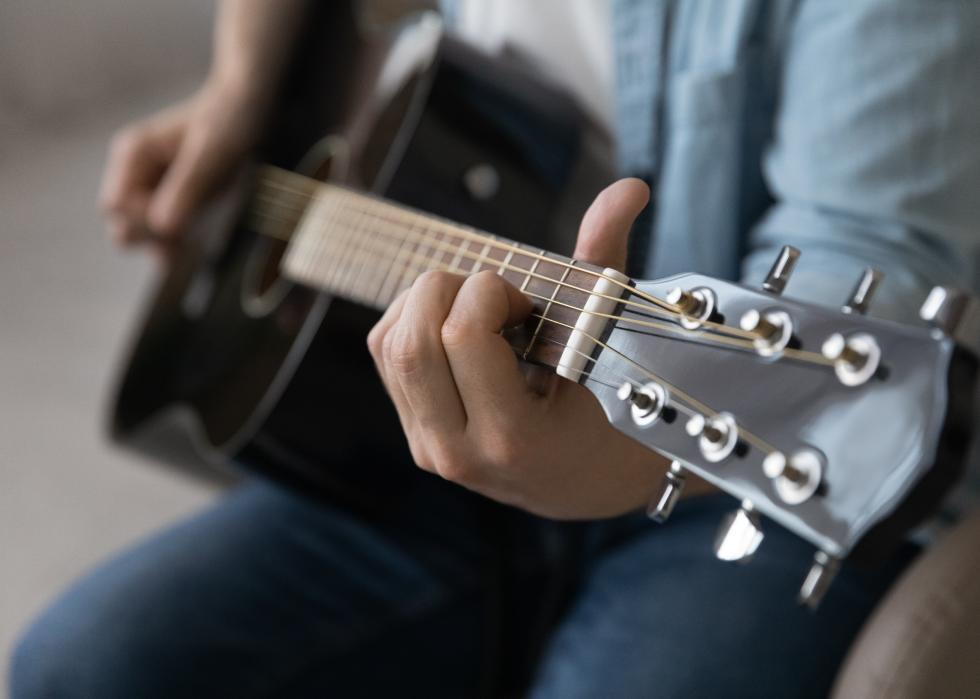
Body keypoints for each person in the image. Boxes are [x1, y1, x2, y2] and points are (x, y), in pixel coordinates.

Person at [10, 1, 980, 697]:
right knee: (75, 670)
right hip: (443, 397)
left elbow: (860, 271)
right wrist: (241, 85)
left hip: (733, 480)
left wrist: (619, 458)